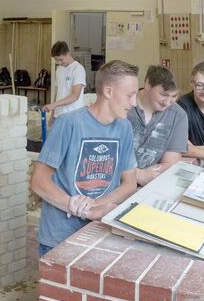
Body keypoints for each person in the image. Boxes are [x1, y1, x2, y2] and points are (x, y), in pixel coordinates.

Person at [33, 60, 142, 256]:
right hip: (59, 238)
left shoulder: (124, 127)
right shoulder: (69, 123)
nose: (134, 103)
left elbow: (129, 184)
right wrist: (75, 206)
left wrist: (96, 207)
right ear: (108, 91)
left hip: (98, 233)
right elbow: (39, 181)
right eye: (130, 95)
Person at [126, 65, 190, 185]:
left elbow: (170, 163)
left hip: (152, 181)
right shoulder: (124, 107)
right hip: (115, 183)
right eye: (163, 94)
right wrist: (137, 174)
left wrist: (146, 175)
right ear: (148, 84)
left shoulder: (178, 116)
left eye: (174, 96)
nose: (167, 102)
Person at [47, 41, 88, 117]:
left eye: (61, 59)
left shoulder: (78, 69)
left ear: (68, 54)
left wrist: (54, 104)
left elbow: (75, 96)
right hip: (59, 114)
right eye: (56, 60)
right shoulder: (59, 69)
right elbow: (58, 93)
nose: (59, 63)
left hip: (73, 115)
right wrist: (52, 114)